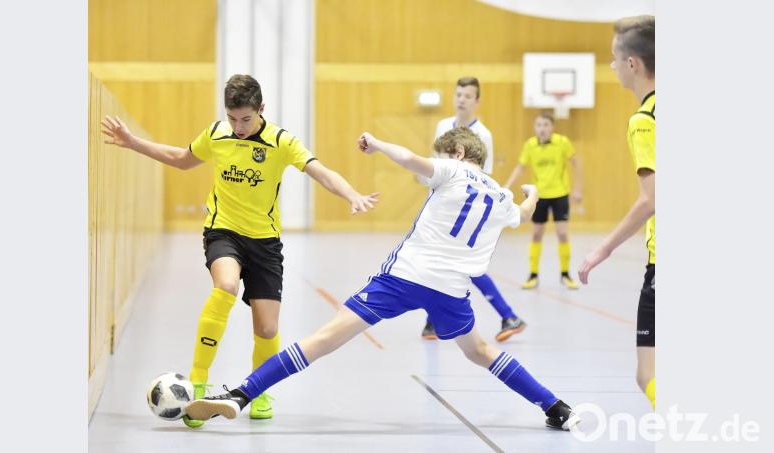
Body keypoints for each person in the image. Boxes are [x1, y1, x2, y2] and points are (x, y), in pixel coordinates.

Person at [185, 127, 580, 431]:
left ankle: (241, 395)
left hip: (405, 276)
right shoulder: (501, 196)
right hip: (451, 289)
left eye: (440, 155)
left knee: (324, 338)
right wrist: (530, 190)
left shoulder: (453, 169)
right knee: (479, 352)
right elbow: (525, 213)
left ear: (458, 153)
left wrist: (378, 144)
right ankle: (555, 407)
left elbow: (410, 159)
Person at [101, 74, 378, 427]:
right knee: (227, 286)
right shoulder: (217, 134)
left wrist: (351, 194)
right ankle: (198, 384)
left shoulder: (280, 142)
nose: (238, 126)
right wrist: (131, 142)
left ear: (261, 109)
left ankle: (259, 390)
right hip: (223, 232)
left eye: (246, 119)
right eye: (233, 118)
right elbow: (181, 159)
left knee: (266, 328)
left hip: (264, 243)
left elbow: (321, 172)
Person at [577, 15, 655, 409]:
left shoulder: (645, 120)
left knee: (648, 375)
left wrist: (601, 249)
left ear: (633, 64)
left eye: (613, 59)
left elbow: (651, 199)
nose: (610, 67)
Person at [422, 76, 526, 342]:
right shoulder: (443, 126)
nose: (461, 99)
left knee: (461, 264)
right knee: (444, 262)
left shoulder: (483, 135)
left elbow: (484, 180)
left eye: (467, 96)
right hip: (441, 207)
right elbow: (437, 167)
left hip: (466, 212)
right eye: (458, 94)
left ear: (476, 101)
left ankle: (507, 315)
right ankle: (434, 322)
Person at [505, 113, 583, 290]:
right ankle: (533, 275)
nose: (542, 128)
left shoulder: (562, 142)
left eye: (546, 124)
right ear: (535, 127)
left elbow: (576, 163)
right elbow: (520, 166)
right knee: (536, 234)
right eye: (538, 125)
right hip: (539, 196)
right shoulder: (530, 145)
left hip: (560, 194)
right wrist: (508, 185)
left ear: (552, 127)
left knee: (562, 234)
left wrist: (578, 189)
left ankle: (565, 275)